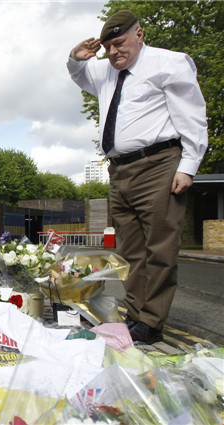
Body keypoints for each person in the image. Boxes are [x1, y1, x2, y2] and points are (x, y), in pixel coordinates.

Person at [67, 10, 208, 344]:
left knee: (160, 246)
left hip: (158, 163)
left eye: (120, 43)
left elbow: (192, 114)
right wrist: (75, 58)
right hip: (120, 170)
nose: (114, 52)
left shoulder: (169, 63)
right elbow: (79, 75)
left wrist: (188, 165)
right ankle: (134, 314)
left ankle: (152, 321)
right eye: (108, 47)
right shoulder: (104, 71)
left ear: (139, 34)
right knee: (129, 250)